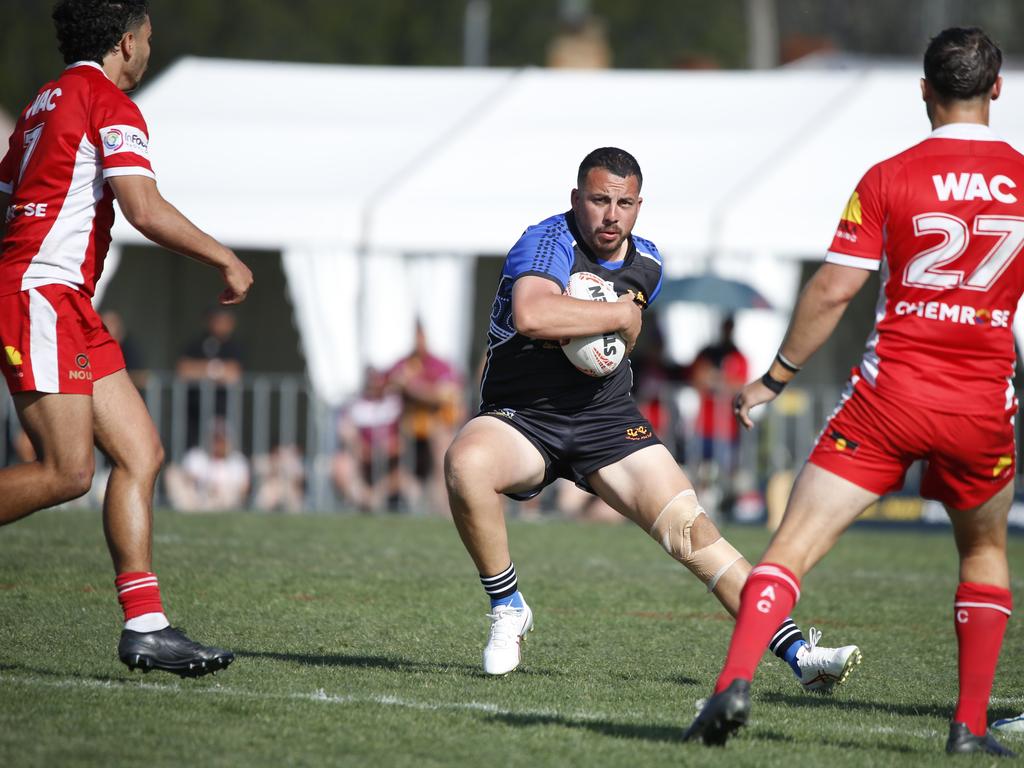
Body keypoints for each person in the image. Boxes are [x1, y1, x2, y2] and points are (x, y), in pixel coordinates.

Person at [685, 28, 1018, 757]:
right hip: (980, 403)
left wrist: (774, 379)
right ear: (997, 90)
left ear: (924, 91)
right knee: (984, 551)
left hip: (888, 396)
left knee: (792, 549)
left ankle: (734, 682)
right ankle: (966, 726)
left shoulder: (889, 175)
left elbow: (836, 289)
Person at [444, 147, 860, 688]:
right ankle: (508, 606)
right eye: (598, 200)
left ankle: (799, 654)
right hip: (523, 416)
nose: (610, 214)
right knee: (466, 463)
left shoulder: (649, 263)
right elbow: (532, 313)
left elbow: (607, 333)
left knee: (694, 534)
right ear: (576, 200)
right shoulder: (545, 241)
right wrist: (618, 313)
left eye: (623, 202)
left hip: (605, 419)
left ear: (640, 205)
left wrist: (611, 318)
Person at [0, 1, 252, 677]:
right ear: (124, 42)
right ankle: (144, 625)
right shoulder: (103, 100)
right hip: (43, 294)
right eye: (145, 40)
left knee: (141, 452)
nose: (147, 52)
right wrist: (224, 256)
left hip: (61, 300)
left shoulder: (42, 103)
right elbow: (142, 208)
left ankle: (145, 628)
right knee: (67, 471)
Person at [388, 322, 464, 513]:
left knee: (441, 450)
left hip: (435, 428)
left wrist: (414, 388)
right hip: (407, 430)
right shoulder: (403, 363)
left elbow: (448, 395)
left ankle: (442, 507)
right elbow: (389, 386)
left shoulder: (439, 364)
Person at [176, 306, 244, 448]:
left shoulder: (235, 347)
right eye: (216, 320)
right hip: (195, 415)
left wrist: (203, 370)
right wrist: (217, 370)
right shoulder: (196, 344)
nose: (219, 324)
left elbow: (233, 373)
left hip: (223, 414)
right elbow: (184, 370)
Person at [164, 418, 251, 512]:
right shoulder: (196, 455)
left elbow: (243, 489)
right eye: (215, 438)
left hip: (224, 500)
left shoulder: (237, 461)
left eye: (221, 439)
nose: (218, 444)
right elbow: (187, 478)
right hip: (199, 497)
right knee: (172, 473)